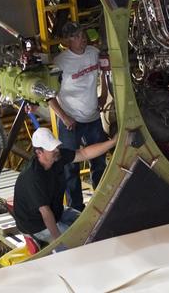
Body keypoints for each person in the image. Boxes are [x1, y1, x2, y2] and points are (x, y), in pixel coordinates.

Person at [13, 126, 117, 246]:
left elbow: (83, 153)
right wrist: (59, 241)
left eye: (56, 146)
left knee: (92, 223)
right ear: (39, 152)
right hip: (35, 224)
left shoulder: (57, 157)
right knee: (79, 240)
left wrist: (113, 142)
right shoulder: (33, 177)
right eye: (52, 149)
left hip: (56, 210)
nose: (57, 150)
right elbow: (45, 213)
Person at [47, 21, 110, 210]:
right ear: (67, 41)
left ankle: (101, 202)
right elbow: (48, 95)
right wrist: (64, 117)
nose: (83, 39)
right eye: (77, 37)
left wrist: (104, 94)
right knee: (70, 166)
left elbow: (104, 72)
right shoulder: (59, 63)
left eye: (83, 35)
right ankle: (76, 208)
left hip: (93, 118)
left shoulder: (93, 53)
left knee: (99, 160)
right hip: (70, 122)